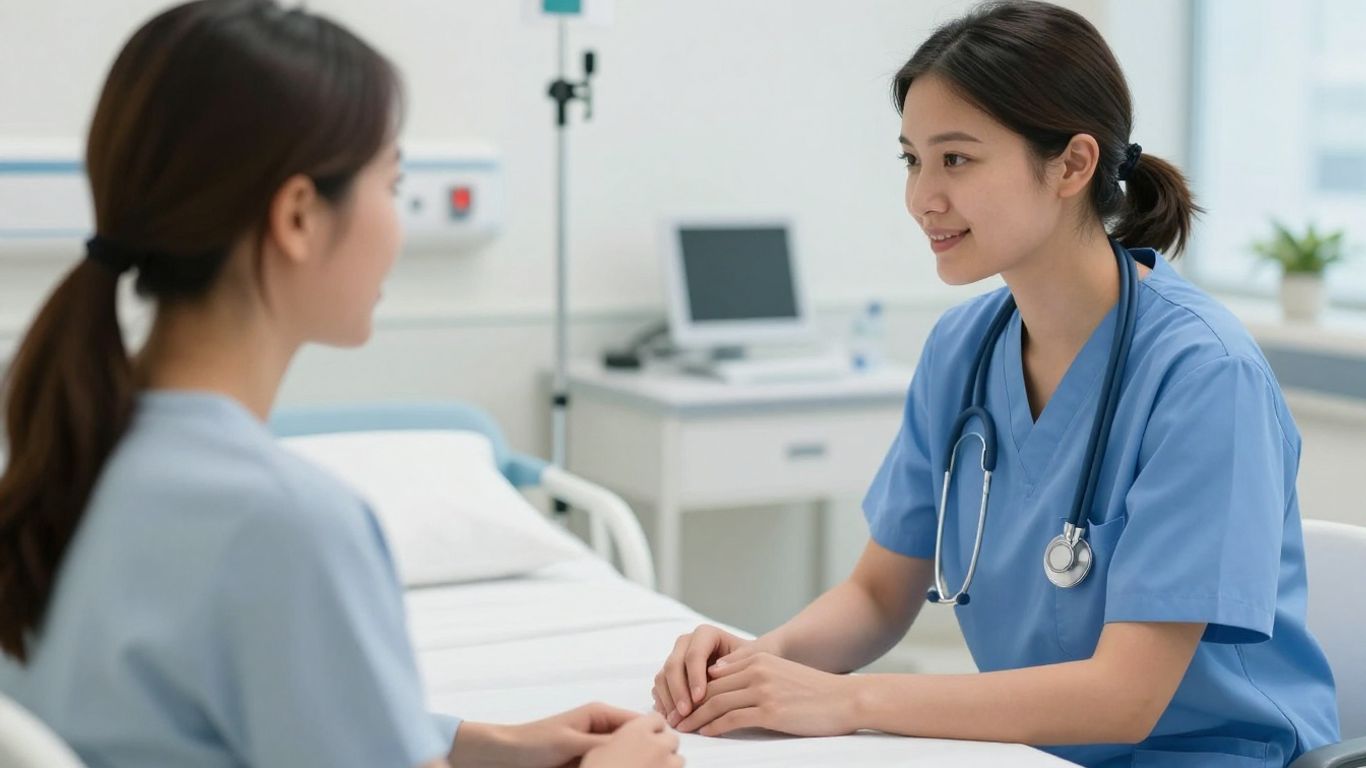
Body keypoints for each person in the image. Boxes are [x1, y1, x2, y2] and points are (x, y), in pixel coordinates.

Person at [650, 2, 1338, 765]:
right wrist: (758, 663)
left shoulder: (1206, 375)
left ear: (1073, 165)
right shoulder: (963, 349)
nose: (922, 198)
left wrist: (849, 700)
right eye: (912, 159)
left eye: (957, 159)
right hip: (1032, 751)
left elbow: (1125, 697)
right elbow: (879, 596)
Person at [0, 2, 680, 766]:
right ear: (297, 216)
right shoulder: (287, 526)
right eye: (391, 184)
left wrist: (470, 742)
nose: (397, 221)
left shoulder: (59, 466)